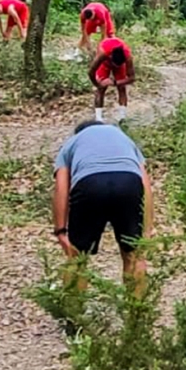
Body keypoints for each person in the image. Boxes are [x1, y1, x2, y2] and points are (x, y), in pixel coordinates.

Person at [53, 121, 153, 299]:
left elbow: (61, 188)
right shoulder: (124, 139)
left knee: (77, 257)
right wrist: (146, 230)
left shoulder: (72, 142)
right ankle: (138, 318)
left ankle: (73, 318)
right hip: (128, 182)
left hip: (89, 184)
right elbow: (146, 186)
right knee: (134, 255)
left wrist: (60, 230)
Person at [87, 37, 135, 122]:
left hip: (117, 62)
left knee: (122, 87)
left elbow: (132, 78)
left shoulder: (128, 57)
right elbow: (91, 72)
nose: (115, 67)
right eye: (114, 65)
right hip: (105, 63)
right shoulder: (102, 54)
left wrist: (115, 82)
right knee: (101, 89)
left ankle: (122, 117)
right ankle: (98, 118)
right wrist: (97, 83)